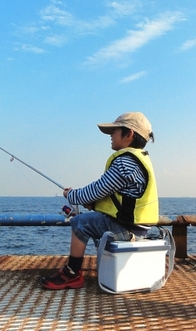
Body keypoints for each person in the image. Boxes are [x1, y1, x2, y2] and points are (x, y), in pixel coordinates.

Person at [40, 112, 159, 290]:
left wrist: (71, 195)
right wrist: (95, 205)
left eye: (114, 131)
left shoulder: (124, 163)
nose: (110, 136)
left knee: (80, 222)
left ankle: (72, 273)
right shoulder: (139, 159)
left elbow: (95, 191)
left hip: (124, 230)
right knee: (95, 219)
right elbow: (119, 198)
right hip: (137, 229)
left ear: (129, 134)